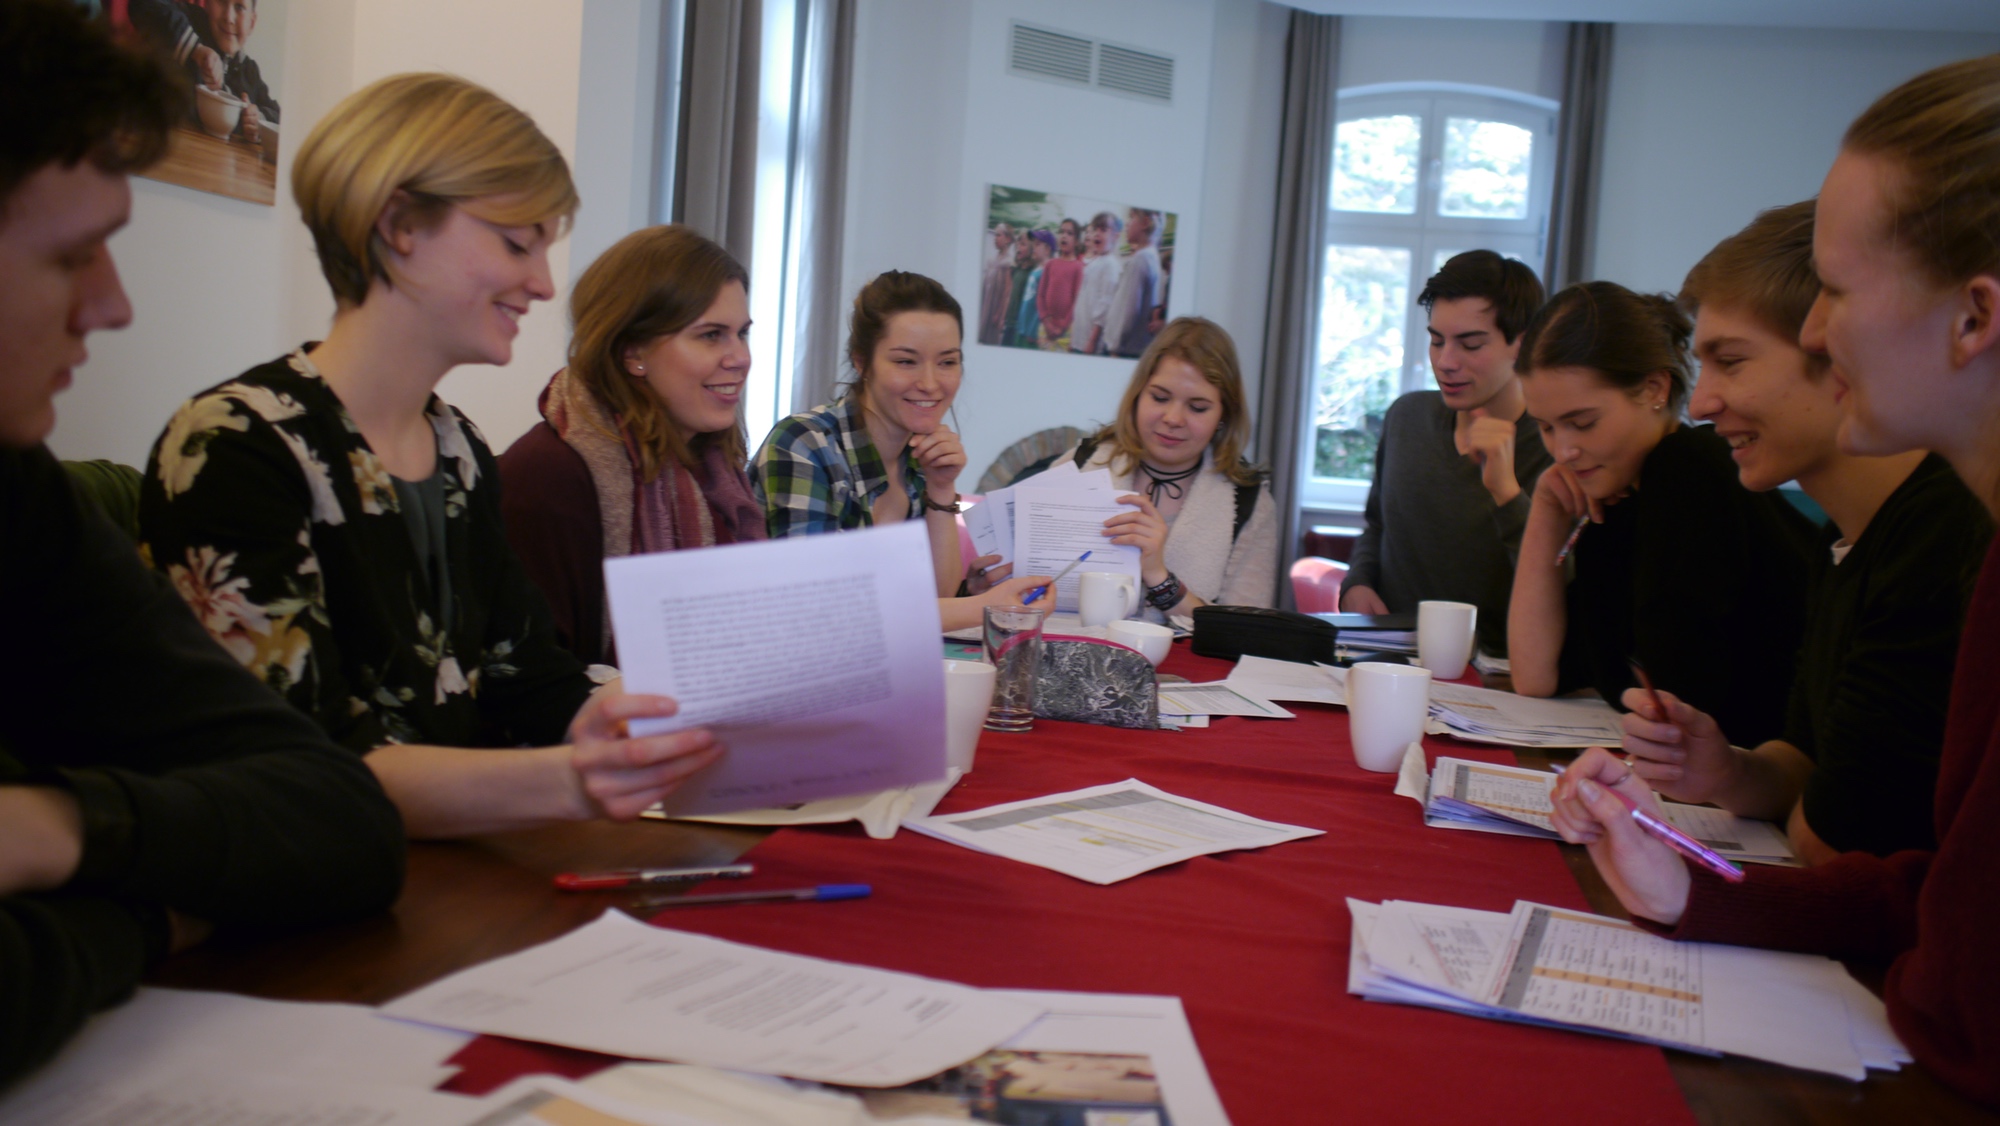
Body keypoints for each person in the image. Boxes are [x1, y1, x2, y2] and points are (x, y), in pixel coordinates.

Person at [1552, 56, 2000, 1109]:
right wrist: (1696, 888)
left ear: (1972, 317)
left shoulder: (1947, 546)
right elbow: (1937, 900)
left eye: (1834, 292)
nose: (1811, 330)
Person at [137, 73, 722, 840]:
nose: (543, 284)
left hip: (436, 871)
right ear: (400, 223)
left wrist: (640, 724)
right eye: (518, 243)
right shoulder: (233, 447)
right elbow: (297, 765)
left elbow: (528, 675)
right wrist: (570, 778)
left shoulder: (458, 450)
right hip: (298, 913)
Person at [0, 0, 400, 1085]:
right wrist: (150, 913)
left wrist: (55, 828)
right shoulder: (241, 442)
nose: (115, 305)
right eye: (75, 255)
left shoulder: (16, 497)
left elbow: (337, 816)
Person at [1617, 201, 1991, 863]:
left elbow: (1834, 844)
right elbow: (1801, 756)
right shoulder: (1840, 539)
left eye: (1731, 363)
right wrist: (1727, 772)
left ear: (1836, 353)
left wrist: (1803, 804)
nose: (1701, 404)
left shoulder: (1942, 533)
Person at [1507, 281, 1816, 746]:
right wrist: (1548, 512)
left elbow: (1677, 699)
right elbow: (1534, 677)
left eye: (1583, 422)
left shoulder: (1688, 469)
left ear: (1654, 388)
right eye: (1546, 428)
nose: (1564, 450)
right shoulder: (1618, 498)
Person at [498, 226, 765, 667]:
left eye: (743, 333)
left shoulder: (715, 469)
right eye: (711, 335)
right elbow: (533, 679)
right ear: (632, 351)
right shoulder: (547, 473)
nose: (740, 357)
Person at [752, 270, 1048, 629]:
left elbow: (934, 600)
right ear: (862, 362)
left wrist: (941, 489)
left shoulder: (919, 458)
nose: (929, 383)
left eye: (947, 362)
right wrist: (985, 607)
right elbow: (814, 612)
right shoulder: (803, 444)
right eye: (906, 361)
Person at [1341, 251, 1554, 656]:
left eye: (1470, 344)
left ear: (1522, 344)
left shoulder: (1554, 446)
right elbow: (1378, 526)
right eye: (1436, 340)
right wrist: (1358, 583)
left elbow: (1559, 584)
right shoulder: (1406, 417)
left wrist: (1507, 492)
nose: (1445, 361)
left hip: (1497, 679)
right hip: (1387, 661)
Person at [1063, 317, 1277, 621]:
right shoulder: (1079, 464)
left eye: (1197, 407)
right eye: (1160, 398)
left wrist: (1160, 578)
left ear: (1223, 415)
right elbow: (1021, 589)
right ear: (1137, 395)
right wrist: (985, 581)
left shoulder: (1251, 504)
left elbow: (1249, 634)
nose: (1173, 418)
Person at [127, 0, 279, 138]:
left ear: (252, 23)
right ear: (206, 3)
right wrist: (195, 49)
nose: (229, 17)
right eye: (221, 1)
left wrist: (258, 120)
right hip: (158, 141)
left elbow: (281, 119)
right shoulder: (189, 18)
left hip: (217, 161)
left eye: (239, 7)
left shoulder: (249, 71)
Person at [1104, 208, 1163, 358]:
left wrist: (1115, 346)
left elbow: (1129, 311)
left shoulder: (1140, 260)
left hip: (1124, 349)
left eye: (1131, 218)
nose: (1127, 224)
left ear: (1145, 222)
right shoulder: (1151, 256)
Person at [1070, 211, 1123, 356]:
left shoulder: (1111, 265)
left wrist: (1092, 341)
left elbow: (1105, 303)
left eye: (1104, 230)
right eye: (1095, 230)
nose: (1097, 234)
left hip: (1090, 342)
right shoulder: (1096, 262)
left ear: (1116, 236)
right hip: (1079, 338)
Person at [1035, 218, 1084, 350]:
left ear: (1077, 241)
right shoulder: (1050, 264)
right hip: (1046, 327)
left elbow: (1076, 301)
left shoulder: (1078, 267)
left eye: (1070, 233)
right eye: (1061, 232)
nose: (1064, 236)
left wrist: (1062, 327)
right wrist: (1046, 322)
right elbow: (1040, 296)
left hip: (1065, 331)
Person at [978, 223, 1013, 346]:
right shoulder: (992, 261)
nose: (995, 238)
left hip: (994, 310)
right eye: (995, 235)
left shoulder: (1007, 263)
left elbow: (1007, 291)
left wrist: (1000, 314)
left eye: (998, 235)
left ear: (1007, 239)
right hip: (985, 306)